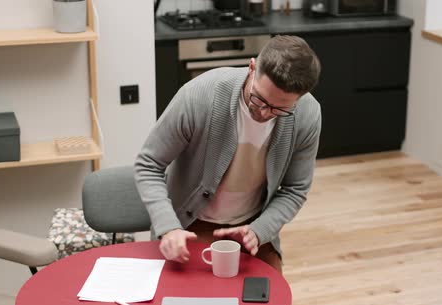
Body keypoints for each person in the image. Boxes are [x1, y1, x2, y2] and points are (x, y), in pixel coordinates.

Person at [134, 35, 321, 274]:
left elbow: (295, 189)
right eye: (259, 99)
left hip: (250, 228)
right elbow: (148, 164)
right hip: (189, 225)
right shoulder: (200, 95)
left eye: (279, 109)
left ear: (300, 98)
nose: (263, 113)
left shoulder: (307, 114)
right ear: (252, 67)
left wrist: (259, 230)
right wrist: (168, 227)